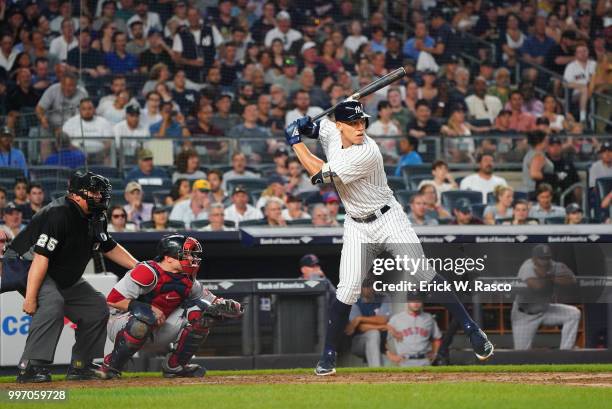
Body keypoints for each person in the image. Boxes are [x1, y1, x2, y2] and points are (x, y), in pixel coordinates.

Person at [285, 100, 493, 376]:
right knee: (346, 289)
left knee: (422, 274)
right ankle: (328, 355)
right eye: (354, 123)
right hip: (357, 224)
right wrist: (307, 126)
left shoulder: (366, 152)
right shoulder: (331, 130)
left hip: (388, 218)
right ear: (340, 126)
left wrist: (295, 141)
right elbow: (318, 128)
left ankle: (472, 329)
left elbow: (317, 174)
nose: (360, 128)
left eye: (363, 122)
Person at [1, 171, 138, 382]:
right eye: (94, 192)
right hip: (26, 265)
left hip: (59, 271)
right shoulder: (59, 214)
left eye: (101, 193)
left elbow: (107, 245)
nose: (99, 197)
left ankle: (81, 366)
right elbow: (41, 258)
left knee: (96, 306)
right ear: (75, 194)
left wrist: (138, 267)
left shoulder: (95, 215)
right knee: (52, 303)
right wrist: (30, 297)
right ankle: (30, 367)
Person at [98, 234, 243, 378]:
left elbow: (211, 301)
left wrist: (226, 304)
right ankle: (112, 365)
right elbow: (113, 300)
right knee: (143, 319)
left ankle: (175, 365)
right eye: (186, 255)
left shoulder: (187, 278)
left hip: (159, 328)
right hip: (123, 325)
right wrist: (144, 307)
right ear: (168, 258)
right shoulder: (147, 271)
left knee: (204, 312)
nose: (192, 258)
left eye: (192, 255)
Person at [511, 244, 580, 350]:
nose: (545, 261)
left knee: (574, 313)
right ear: (534, 258)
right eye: (541, 258)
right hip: (525, 315)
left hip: (545, 310)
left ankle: (566, 352)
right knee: (521, 356)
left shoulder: (555, 266)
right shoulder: (527, 266)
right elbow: (537, 286)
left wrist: (547, 276)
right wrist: (553, 278)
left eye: (547, 258)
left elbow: (572, 280)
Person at [345, 276, 391, 368]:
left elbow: (383, 319)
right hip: (359, 342)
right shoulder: (353, 301)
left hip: (383, 341)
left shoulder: (383, 298)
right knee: (374, 333)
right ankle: (376, 372)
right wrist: (381, 326)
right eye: (366, 286)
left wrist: (360, 319)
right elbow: (362, 328)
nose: (369, 288)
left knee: (398, 328)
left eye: (371, 285)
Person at [386, 294, 442, 367]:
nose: (416, 304)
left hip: (424, 361)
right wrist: (390, 355)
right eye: (413, 301)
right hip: (404, 361)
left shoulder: (429, 318)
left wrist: (435, 353)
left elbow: (437, 338)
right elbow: (383, 337)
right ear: (407, 302)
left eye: (418, 301)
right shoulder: (396, 319)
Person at [563, 43, 597, 123]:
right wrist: (581, 86)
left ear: (588, 52)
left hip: (593, 91)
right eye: (580, 52)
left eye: (585, 51)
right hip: (575, 94)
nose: (583, 53)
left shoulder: (594, 64)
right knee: (584, 88)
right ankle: (583, 118)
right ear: (576, 54)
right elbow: (565, 83)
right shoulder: (571, 66)